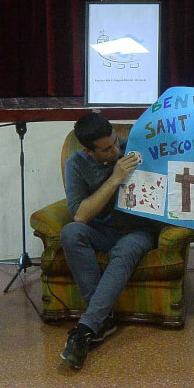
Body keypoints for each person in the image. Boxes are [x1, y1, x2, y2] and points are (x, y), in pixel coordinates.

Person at [59, 112, 164, 370]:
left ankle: (86, 328)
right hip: (101, 230)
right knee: (71, 232)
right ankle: (102, 319)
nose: (116, 151)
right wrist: (116, 178)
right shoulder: (76, 164)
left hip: (137, 230)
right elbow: (80, 215)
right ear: (88, 151)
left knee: (125, 251)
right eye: (106, 150)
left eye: (116, 142)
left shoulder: (134, 148)